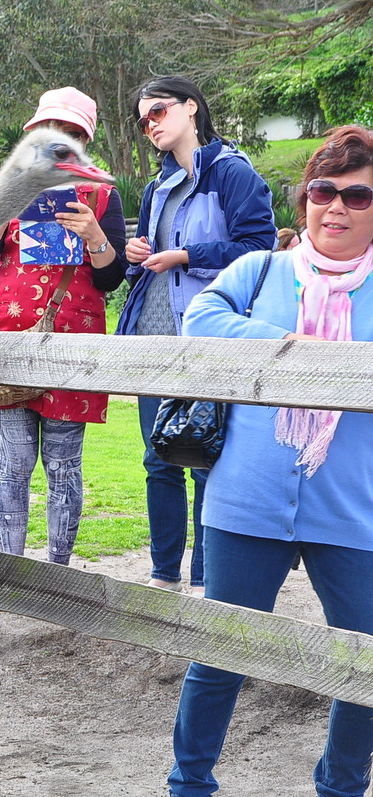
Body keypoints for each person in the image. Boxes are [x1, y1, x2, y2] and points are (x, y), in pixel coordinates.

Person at [169, 124, 373, 796]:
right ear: (305, 198)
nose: (336, 206)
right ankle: (189, 782)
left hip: (353, 506)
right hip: (246, 498)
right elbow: (200, 318)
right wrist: (291, 344)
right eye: (324, 189)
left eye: (357, 194)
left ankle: (342, 786)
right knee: (220, 652)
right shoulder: (261, 270)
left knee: (366, 661)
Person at [116, 76, 275, 597]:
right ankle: (164, 576)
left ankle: (210, 581)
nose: (151, 125)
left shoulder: (232, 173)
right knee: (157, 459)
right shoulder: (156, 187)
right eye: (143, 120)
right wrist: (137, 256)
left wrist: (189, 255)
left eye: (158, 112)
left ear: (191, 107)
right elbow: (140, 266)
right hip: (153, 333)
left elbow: (260, 249)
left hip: (211, 336)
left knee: (209, 457)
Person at [0, 87, 126, 566]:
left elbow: (111, 277)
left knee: (62, 464)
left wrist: (94, 236)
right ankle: (11, 568)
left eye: (72, 134)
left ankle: (58, 573)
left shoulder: (100, 195)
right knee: (13, 463)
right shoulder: (6, 190)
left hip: (70, 346)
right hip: (10, 346)